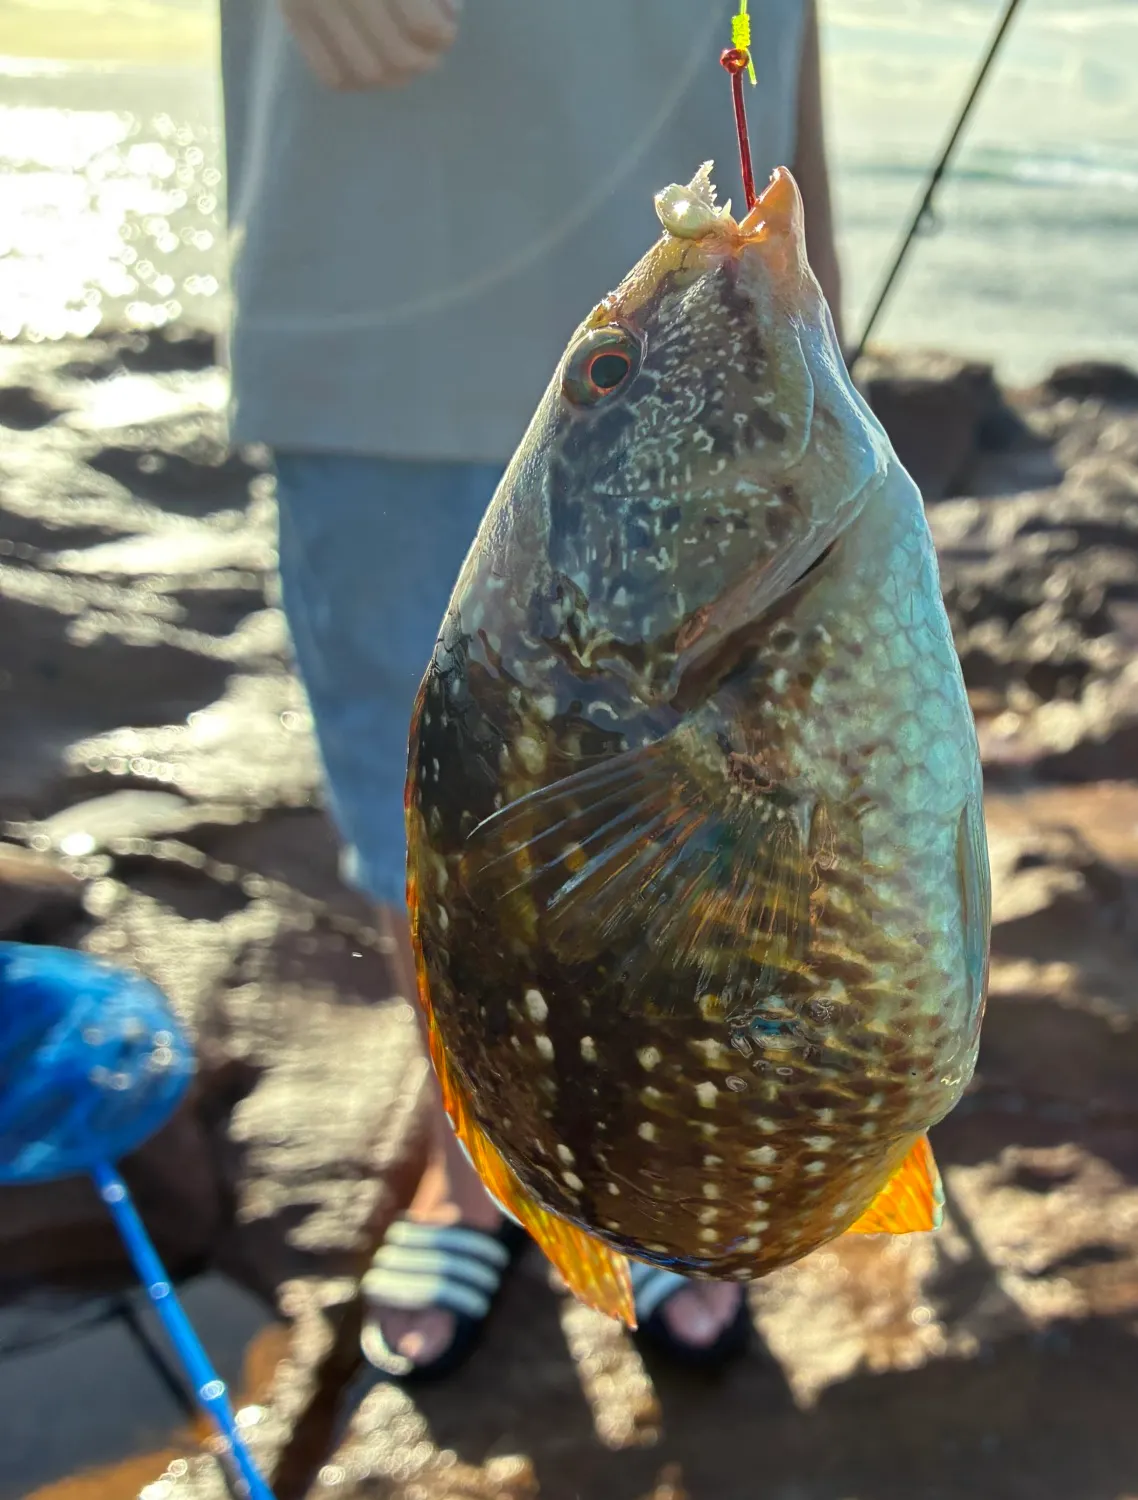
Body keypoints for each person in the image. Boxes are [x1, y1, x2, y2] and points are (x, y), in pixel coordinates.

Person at [217, 0, 843, 1380]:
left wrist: (823, 301)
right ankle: (467, 1158)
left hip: (712, 351)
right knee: (426, 812)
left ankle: (663, 1148)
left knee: (710, 804)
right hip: (380, 307)